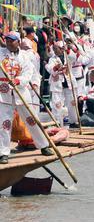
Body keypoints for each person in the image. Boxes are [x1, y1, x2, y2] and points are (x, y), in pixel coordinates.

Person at [0, 32, 51, 162]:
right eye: (7, 40)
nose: (9, 43)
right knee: (4, 124)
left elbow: (29, 73)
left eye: (12, 40)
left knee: (31, 120)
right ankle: (3, 152)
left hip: (21, 92)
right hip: (3, 93)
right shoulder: (0, 53)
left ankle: (44, 145)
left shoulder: (24, 56)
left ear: (18, 41)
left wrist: (18, 80)